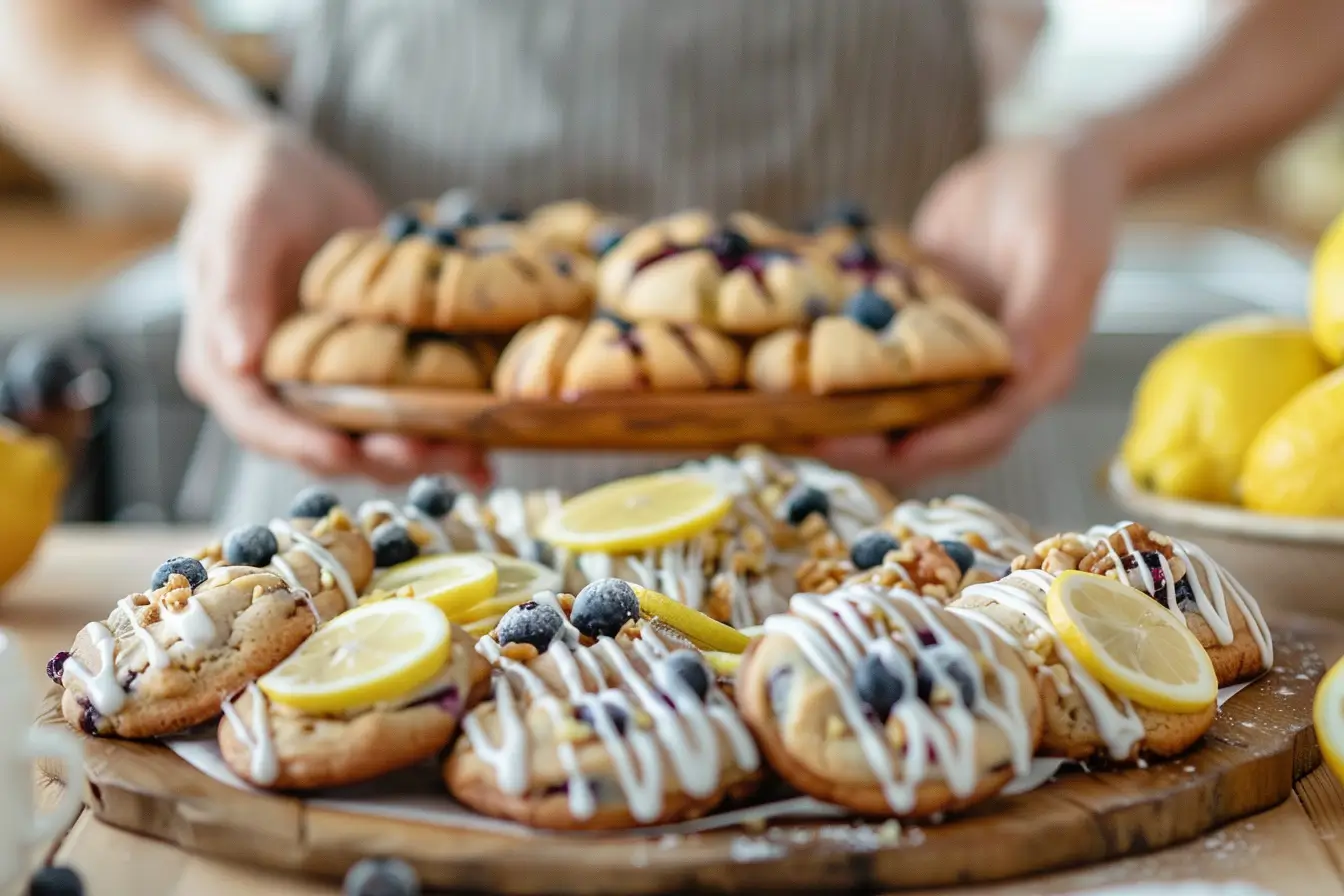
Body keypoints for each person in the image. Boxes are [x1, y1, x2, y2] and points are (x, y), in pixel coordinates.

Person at [1, 0, 1343, 524]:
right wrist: (226, 153)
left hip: (894, 496)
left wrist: (1096, 150)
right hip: (384, 503)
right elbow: (44, 28)